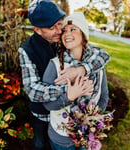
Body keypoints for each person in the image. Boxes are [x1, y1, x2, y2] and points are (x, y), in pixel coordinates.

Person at [19, 0, 109, 149]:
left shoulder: (66, 41)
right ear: (37, 30)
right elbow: (33, 90)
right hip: (43, 114)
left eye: (60, 23)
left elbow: (102, 55)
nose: (60, 30)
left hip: (75, 120)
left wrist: (83, 69)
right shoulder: (27, 50)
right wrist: (71, 90)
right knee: (40, 144)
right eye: (51, 27)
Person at [42, 12, 110, 150]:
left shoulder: (95, 65)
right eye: (64, 31)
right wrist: (70, 96)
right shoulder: (55, 65)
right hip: (62, 138)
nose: (67, 34)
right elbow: (47, 104)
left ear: (83, 34)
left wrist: (91, 121)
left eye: (73, 29)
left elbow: (103, 96)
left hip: (87, 135)